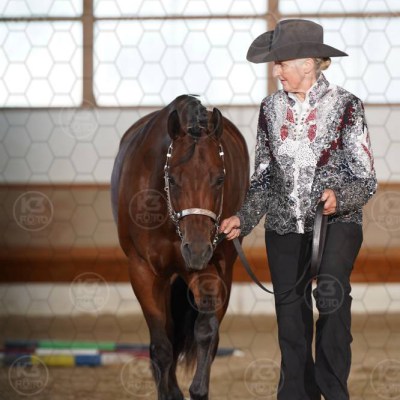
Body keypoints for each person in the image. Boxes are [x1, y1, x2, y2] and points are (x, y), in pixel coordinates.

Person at [220, 19, 377, 400]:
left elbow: (366, 179)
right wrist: (244, 217)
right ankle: (296, 393)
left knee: (331, 299)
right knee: (291, 319)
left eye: (281, 63)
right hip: (283, 225)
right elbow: (263, 177)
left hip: (336, 222)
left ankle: (333, 391)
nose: (276, 71)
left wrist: (340, 196)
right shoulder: (269, 109)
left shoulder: (347, 106)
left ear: (307, 63)